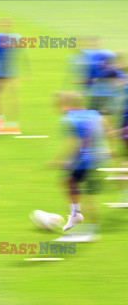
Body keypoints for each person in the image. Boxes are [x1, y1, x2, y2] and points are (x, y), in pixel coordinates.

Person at [49, 91, 111, 242]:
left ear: (69, 104)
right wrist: (109, 149)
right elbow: (109, 131)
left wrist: (59, 160)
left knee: (77, 187)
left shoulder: (70, 118)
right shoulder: (95, 114)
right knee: (78, 187)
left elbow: (74, 142)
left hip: (84, 160)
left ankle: (82, 224)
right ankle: (81, 220)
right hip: (99, 159)